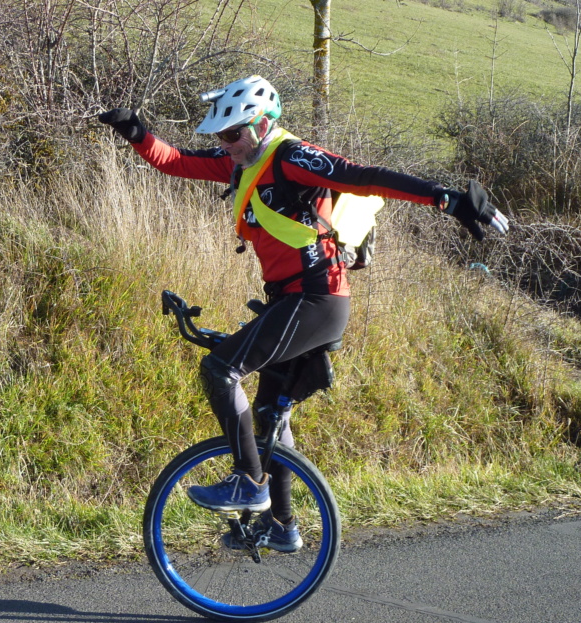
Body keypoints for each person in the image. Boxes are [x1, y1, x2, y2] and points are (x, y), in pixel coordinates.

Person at [98, 75, 509, 552]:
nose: (225, 144)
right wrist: (135, 131)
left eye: (233, 133)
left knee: (219, 370)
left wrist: (446, 199)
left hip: (316, 299)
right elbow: (174, 162)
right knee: (272, 418)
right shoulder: (242, 161)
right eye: (220, 135)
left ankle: (249, 483)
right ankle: (283, 526)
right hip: (290, 300)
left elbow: (363, 176)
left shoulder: (291, 157)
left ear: (264, 124)